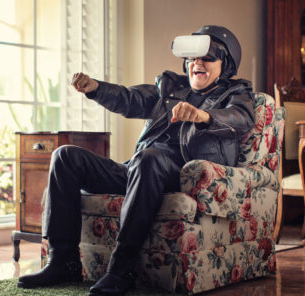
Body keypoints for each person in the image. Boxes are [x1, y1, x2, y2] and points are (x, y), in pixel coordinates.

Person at [18, 25, 255, 296]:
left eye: (207, 57)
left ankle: (121, 269)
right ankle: (63, 262)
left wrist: (202, 116)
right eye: (192, 58)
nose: (197, 63)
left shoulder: (236, 92)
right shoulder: (170, 86)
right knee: (65, 156)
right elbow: (130, 98)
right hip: (137, 171)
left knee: (149, 158)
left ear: (225, 64)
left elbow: (241, 117)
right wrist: (96, 88)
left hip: (175, 174)